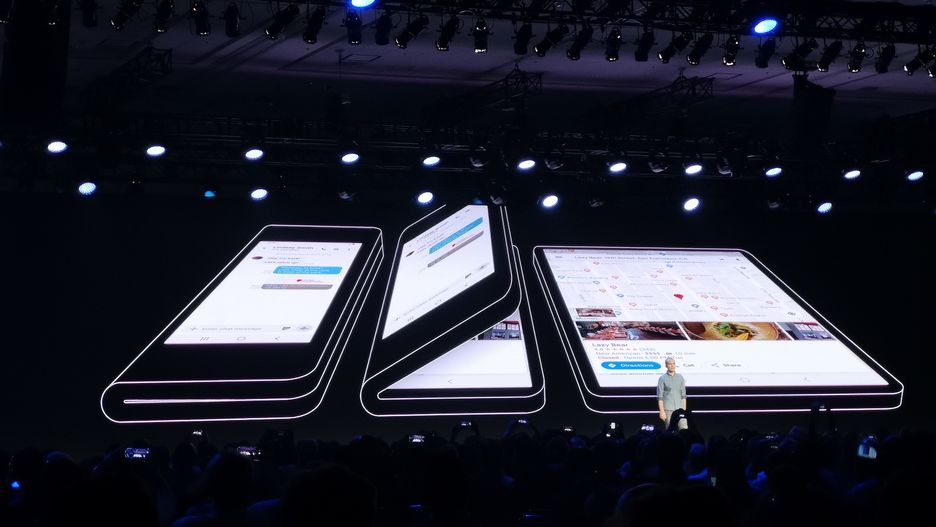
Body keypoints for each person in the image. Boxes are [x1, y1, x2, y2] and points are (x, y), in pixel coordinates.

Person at [657, 357, 687, 430]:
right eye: (670, 364)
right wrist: (662, 411)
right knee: (670, 430)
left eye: (673, 363)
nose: (672, 365)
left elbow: (683, 396)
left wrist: (684, 410)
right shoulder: (662, 378)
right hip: (668, 409)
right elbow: (660, 397)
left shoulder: (680, 377)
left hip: (680, 408)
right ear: (666, 365)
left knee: (684, 429)